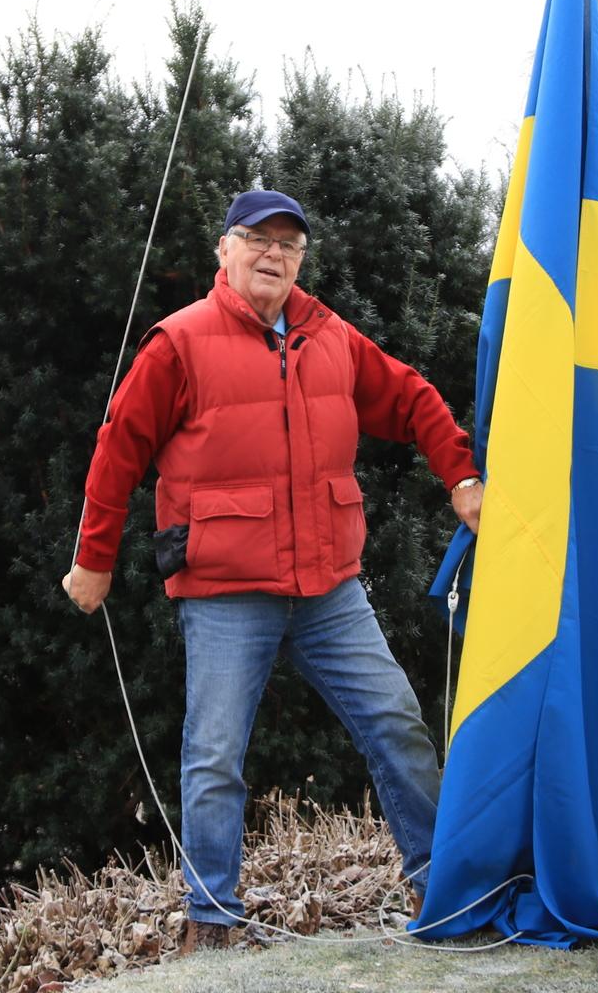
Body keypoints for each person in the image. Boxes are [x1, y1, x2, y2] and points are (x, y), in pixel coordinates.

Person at [61, 189, 484, 953]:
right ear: (225, 250)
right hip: (227, 593)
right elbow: (117, 449)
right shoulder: (179, 343)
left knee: (398, 725)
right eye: (258, 238)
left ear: (300, 260)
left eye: (289, 243)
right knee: (214, 753)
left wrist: (459, 476)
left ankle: (441, 890)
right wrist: (94, 559)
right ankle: (212, 921)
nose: (274, 253)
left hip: (331, 591)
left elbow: (414, 398)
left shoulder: (333, 338)